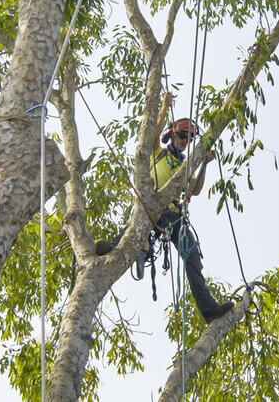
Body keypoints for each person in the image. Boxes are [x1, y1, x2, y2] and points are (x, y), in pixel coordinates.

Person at [96, 92, 233, 323]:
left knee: (193, 259)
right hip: (150, 208)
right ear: (173, 135)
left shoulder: (183, 166)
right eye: (181, 135)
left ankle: (208, 310)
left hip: (173, 216)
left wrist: (204, 165)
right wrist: (164, 107)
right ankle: (114, 247)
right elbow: (154, 133)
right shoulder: (157, 154)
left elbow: (194, 191)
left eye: (188, 138)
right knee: (136, 228)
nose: (184, 141)